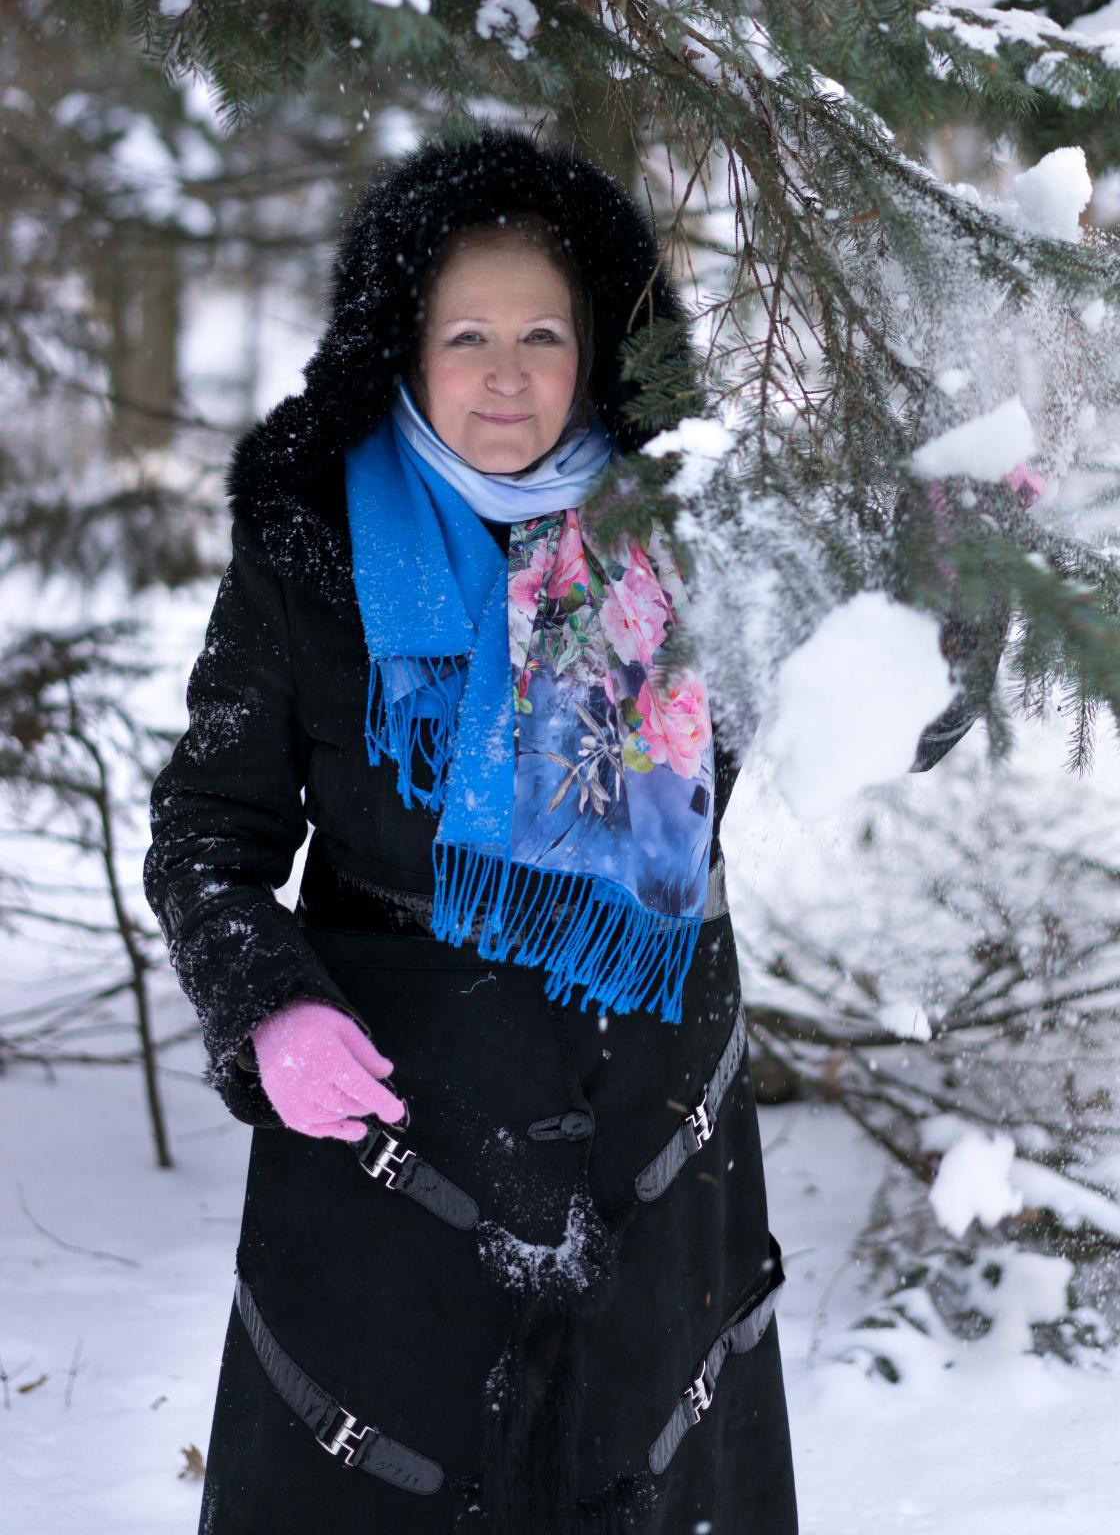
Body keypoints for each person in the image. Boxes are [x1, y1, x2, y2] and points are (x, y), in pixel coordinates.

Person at [143, 122, 993, 1535]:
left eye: (543, 334)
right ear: (401, 345)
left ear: (597, 348)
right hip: (385, 1126)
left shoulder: (699, 531)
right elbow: (204, 839)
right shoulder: (314, 553)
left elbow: (884, 712)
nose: (505, 374)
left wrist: (959, 583)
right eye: (466, 333)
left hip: (651, 1109)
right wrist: (267, 1008)